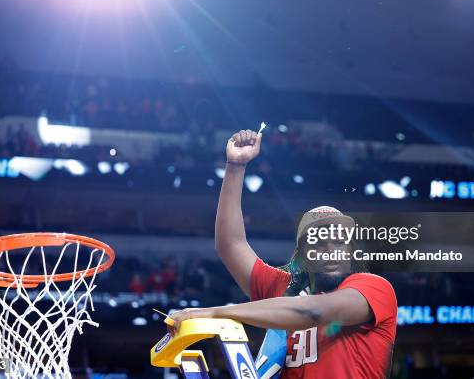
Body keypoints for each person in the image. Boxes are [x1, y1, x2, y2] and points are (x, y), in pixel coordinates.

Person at [169, 129, 397, 378]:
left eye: (339, 241)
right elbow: (230, 245)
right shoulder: (284, 287)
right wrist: (235, 165)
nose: (330, 250)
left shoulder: (373, 287)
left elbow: (315, 311)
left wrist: (216, 312)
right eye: (318, 243)